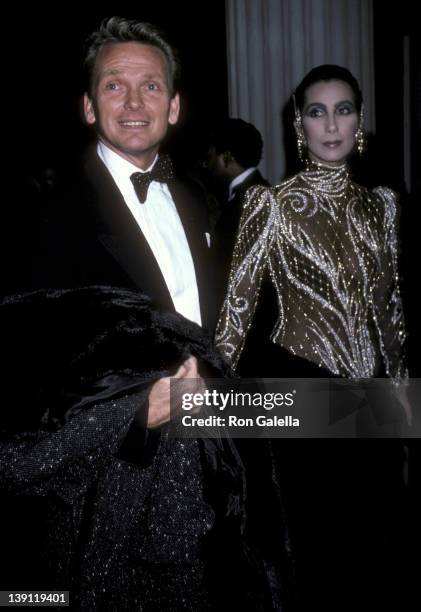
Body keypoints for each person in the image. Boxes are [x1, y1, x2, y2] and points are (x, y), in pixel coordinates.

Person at [215, 65, 411, 609]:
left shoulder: (384, 205)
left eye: (343, 109)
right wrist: (207, 417)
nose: (331, 125)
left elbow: (391, 310)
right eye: (317, 111)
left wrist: (400, 405)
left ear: (360, 120)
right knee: (320, 561)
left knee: (382, 558)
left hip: (375, 406)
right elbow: (235, 315)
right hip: (306, 402)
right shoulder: (269, 204)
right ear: (299, 123)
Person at [26, 16, 216, 331]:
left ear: (173, 108)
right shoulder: (51, 215)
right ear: (89, 108)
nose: (134, 102)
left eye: (151, 86)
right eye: (114, 86)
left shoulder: (194, 197)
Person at [206, 118, 270, 291]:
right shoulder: (257, 192)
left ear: (226, 157)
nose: (207, 165)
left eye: (210, 157)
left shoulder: (254, 200)